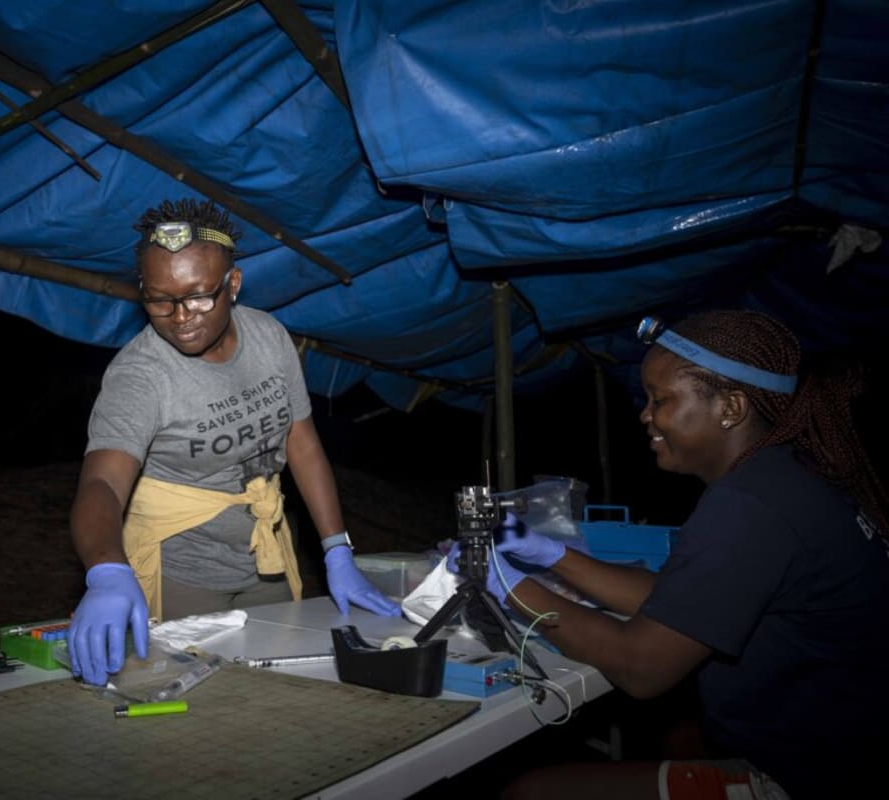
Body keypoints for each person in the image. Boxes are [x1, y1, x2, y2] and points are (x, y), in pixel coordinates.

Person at [465, 309, 889, 799]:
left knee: (533, 793)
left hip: (811, 777)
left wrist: (508, 586)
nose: (645, 415)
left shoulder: (751, 505)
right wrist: (547, 553)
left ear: (730, 408)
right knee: (678, 738)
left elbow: (641, 667)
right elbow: (680, 601)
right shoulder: (789, 475)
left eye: (660, 399)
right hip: (844, 745)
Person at [67, 198, 400, 686]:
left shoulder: (269, 338)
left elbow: (302, 443)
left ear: (233, 284)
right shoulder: (141, 376)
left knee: (281, 690)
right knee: (189, 712)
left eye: (199, 296)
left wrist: (336, 549)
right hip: (183, 576)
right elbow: (102, 483)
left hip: (265, 563)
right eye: (160, 300)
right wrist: (106, 570)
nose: (180, 317)